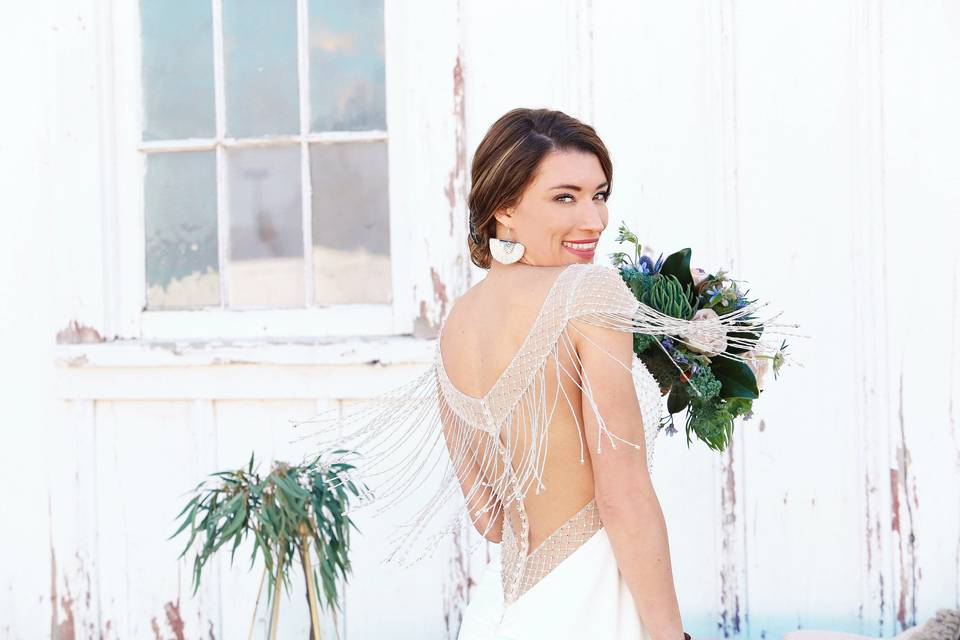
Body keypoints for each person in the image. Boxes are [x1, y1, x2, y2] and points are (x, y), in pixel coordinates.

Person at [296, 108, 782, 639]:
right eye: (565, 197)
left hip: (503, 610)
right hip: (590, 601)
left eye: (599, 195)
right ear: (504, 208)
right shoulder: (590, 293)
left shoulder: (457, 321)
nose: (594, 221)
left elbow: (490, 517)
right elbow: (624, 493)